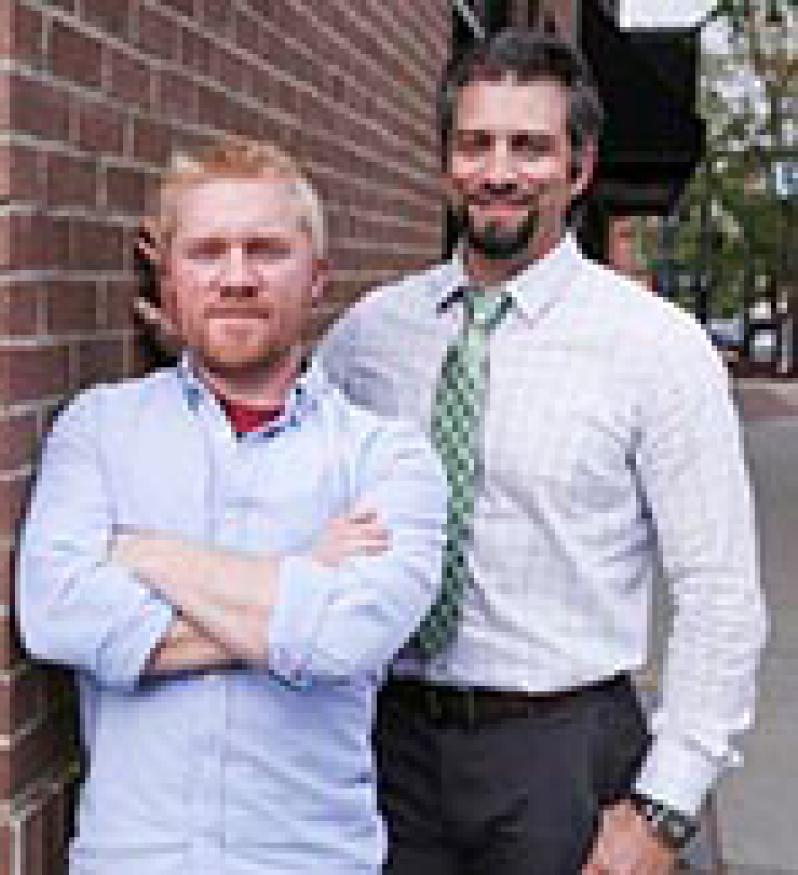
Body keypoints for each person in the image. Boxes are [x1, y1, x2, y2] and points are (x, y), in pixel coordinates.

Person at [316, 29, 767, 874]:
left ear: (579, 168)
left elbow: (721, 593)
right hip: (387, 747)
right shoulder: (372, 335)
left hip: (563, 757)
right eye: (475, 143)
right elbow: (283, 451)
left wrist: (662, 810)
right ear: (446, 161)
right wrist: (207, 349)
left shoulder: (655, 348)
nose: (498, 171)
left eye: (530, 146)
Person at [16, 138, 449, 874]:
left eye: (267, 250)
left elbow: (346, 637)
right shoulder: (99, 428)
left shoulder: (387, 456)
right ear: (169, 276)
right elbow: (56, 613)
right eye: (208, 250)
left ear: (317, 278)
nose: (237, 276)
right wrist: (301, 575)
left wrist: (146, 555)